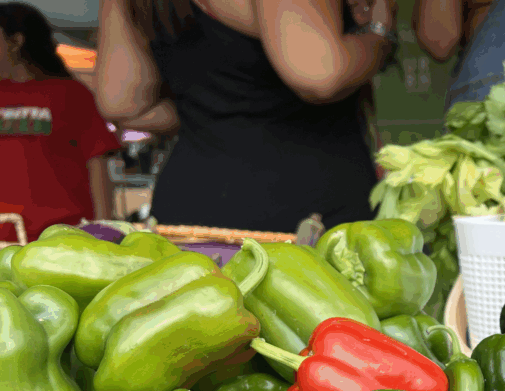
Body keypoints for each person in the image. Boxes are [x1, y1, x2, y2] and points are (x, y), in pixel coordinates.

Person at [94, 0, 398, 233]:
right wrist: (379, 33)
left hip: (189, 206)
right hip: (306, 211)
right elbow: (318, 74)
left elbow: (123, 104)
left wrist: (211, 112)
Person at [0, 3, 120, 243]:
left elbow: (97, 161)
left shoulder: (71, 94)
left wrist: (105, 229)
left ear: (16, 41)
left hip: (65, 236)